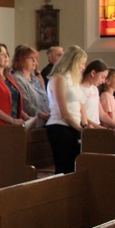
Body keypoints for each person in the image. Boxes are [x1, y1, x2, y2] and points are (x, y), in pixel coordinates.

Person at [46, 45, 87, 174]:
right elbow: (63, 112)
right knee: (64, 167)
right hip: (60, 127)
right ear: (73, 62)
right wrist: (80, 129)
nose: (83, 67)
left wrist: (85, 124)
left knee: (74, 167)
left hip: (73, 126)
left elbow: (80, 105)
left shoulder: (74, 79)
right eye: (82, 63)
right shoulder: (58, 78)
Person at [11, 45, 50, 128]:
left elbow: (46, 98)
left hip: (46, 121)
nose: (34, 61)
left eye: (35, 58)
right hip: (32, 122)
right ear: (21, 60)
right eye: (31, 58)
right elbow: (26, 103)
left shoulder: (36, 79)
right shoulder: (17, 78)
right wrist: (42, 115)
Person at [79, 59, 109, 129]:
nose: (104, 81)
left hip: (96, 127)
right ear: (93, 73)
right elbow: (81, 115)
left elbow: (102, 115)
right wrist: (99, 128)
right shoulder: (79, 89)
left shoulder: (94, 89)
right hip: (87, 127)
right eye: (102, 77)